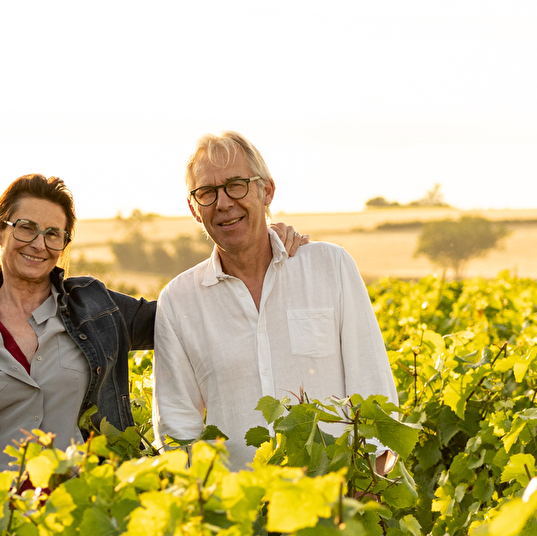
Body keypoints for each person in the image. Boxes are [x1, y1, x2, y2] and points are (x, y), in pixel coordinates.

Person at [0, 173, 310, 471]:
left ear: (64, 244)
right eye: (26, 228)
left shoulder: (96, 308)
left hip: (87, 513)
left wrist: (257, 244)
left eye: (53, 234)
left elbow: (186, 311)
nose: (39, 244)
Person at [153, 130, 397, 469]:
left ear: (266, 191)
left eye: (236, 185)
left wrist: (366, 488)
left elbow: (374, 391)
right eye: (207, 192)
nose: (223, 203)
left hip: (340, 496)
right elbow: (177, 427)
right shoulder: (178, 302)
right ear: (194, 208)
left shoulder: (331, 267)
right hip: (236, 500)